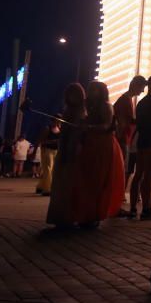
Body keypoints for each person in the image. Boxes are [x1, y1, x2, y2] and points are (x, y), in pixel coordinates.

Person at [71, 81, 126, 227]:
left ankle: (94, 215)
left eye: (94, 90)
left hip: (102, 145)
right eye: (90, 89)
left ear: (101, 92)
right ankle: (86, 214)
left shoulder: (106, 106)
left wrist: (88, 127)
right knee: (86, 180)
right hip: (90, 144)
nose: (91, 92)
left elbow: (107, 125)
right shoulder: (89, 107)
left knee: (98, 179)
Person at [46, 84, 85, 228]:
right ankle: (61, 216)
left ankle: (69, 216)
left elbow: (77, 134)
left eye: (74, 94)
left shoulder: (80, 111)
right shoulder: (69, 111)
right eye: (69, 94)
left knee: (70, 184)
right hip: (65, 149)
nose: (71, 97)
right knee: (62, 184)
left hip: (74, 149)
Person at [130, 76, 151, 220]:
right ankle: (146, 208)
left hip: (142, 141)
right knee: (149, 176)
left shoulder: (141, 103)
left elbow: (138, 122)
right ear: (150, 86)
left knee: (138, 175)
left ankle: (133, 207)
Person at [114, 74, 146, 208]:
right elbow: (124, 121)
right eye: (142, 87)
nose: (142, 91)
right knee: (122, 170)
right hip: (123, 139)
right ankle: (117, 201)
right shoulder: (125, 100)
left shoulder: (125, 99)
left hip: (124, 139)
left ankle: (118, 199)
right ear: (135, 85)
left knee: (124, 170)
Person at [35, 121, 60, 196]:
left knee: (52, 170)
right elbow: (41, 141)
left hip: (56, 151)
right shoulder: (48, 129)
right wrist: (53, 141)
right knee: (48, 169)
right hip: (48, 150)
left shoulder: (60, 129)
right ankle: (47, 189)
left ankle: (40, 186)